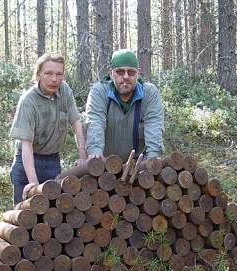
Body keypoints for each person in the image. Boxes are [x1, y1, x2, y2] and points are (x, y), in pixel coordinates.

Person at [9, 52, 87, 206]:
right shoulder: (28, 101)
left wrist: (83, 156)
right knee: (23, 217)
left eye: (59, 74)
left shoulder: (64, 91)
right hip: (27, 163)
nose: (54, 79)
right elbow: (26, 144)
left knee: (51, 213)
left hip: (52, 161)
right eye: (48, 73)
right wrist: (33, 182)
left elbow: (76, 123)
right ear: (38, 74)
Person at [85, 49, 165, 162]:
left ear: (138, 73)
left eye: (131, 72)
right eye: (120, 72)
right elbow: (95, 122)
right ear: (111, 73)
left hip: (138, 164)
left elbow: (154, 125)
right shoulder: (99, 92)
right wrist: (95, 152)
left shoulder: (149, 93)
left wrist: (153, 157)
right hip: (105, 163)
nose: (126, 77)